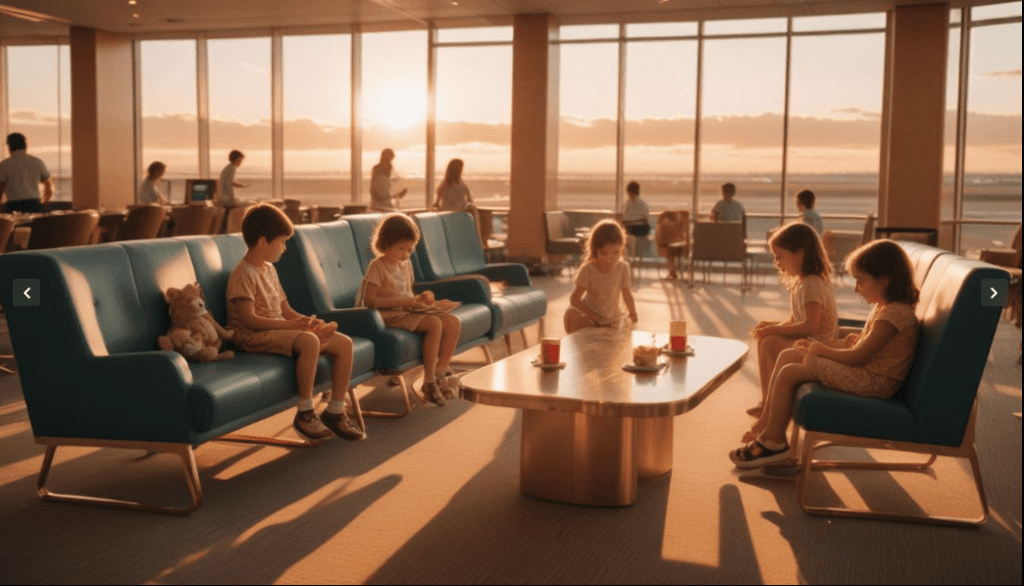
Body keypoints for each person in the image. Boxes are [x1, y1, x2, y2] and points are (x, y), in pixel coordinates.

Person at [732, 239, 920, 468]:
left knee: (791, 372)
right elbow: (866, 345)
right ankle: (771, 430)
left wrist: (823, 351)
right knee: (789, 356)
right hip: (867, 374)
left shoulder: (893, 314)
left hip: (873, 382)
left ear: (883, 280)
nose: (855, 288)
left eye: (860, 281)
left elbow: (859, 357)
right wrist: (835, 346)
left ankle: (773, 442)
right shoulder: (887, 308)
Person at [226, 203, 363, 441]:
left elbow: (284, 309)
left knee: (343, 343)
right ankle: (305, 411)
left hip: (277, 329)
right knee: (309, 341)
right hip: (251, 335)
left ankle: (335, 410)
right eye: (281, 242)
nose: (285, 248)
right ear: (262, 243)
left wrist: (307, 321)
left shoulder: (268, 269)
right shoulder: (242, 274)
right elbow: (249, 320)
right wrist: (293, 327)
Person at [356, 213, 461, 406]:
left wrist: (422, 301)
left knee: (452, 322)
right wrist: (408, 302)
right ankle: (428, 383)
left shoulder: (406, 264)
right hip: (386, 315)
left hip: (404, 311)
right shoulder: (377, 266)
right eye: (400, 248)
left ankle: (440, 371)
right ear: (385, 245)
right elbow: (370, 300)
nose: (406, 254)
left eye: (410, 249)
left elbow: (408, 292)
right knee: (434, 324)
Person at [747, 223, 837, 420]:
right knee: (766, 339)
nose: (777, 262)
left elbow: (809, 326)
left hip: (819, 350)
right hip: (808, 344)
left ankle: (769, 405)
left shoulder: (812, 284)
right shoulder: (802, 283)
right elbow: (794, 320)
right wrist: (773, 327)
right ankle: (767, 401)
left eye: (780, 256)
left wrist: (772, 332)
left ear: (800, 253)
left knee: (769, 341)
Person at [563, 219, 639, 334]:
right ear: (594, 250)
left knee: (624, 331)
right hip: (589, 318)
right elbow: (574, 299)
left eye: (616, 253)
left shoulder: (623, 268)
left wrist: (633, 314)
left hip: (613, 320)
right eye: (603, 253)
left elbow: (627, 294)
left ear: (622, 249)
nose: (610, 259)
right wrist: (594, 317)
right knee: (571, 315)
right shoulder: (588, 269)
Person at [0, 132, 53, 214]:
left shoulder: (5, 164)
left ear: (9, 147)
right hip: (34, 206)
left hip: (13, 207)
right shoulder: (37, 162)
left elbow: (0, 188)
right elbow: (48, 188)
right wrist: (42, 203)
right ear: (25, 146)